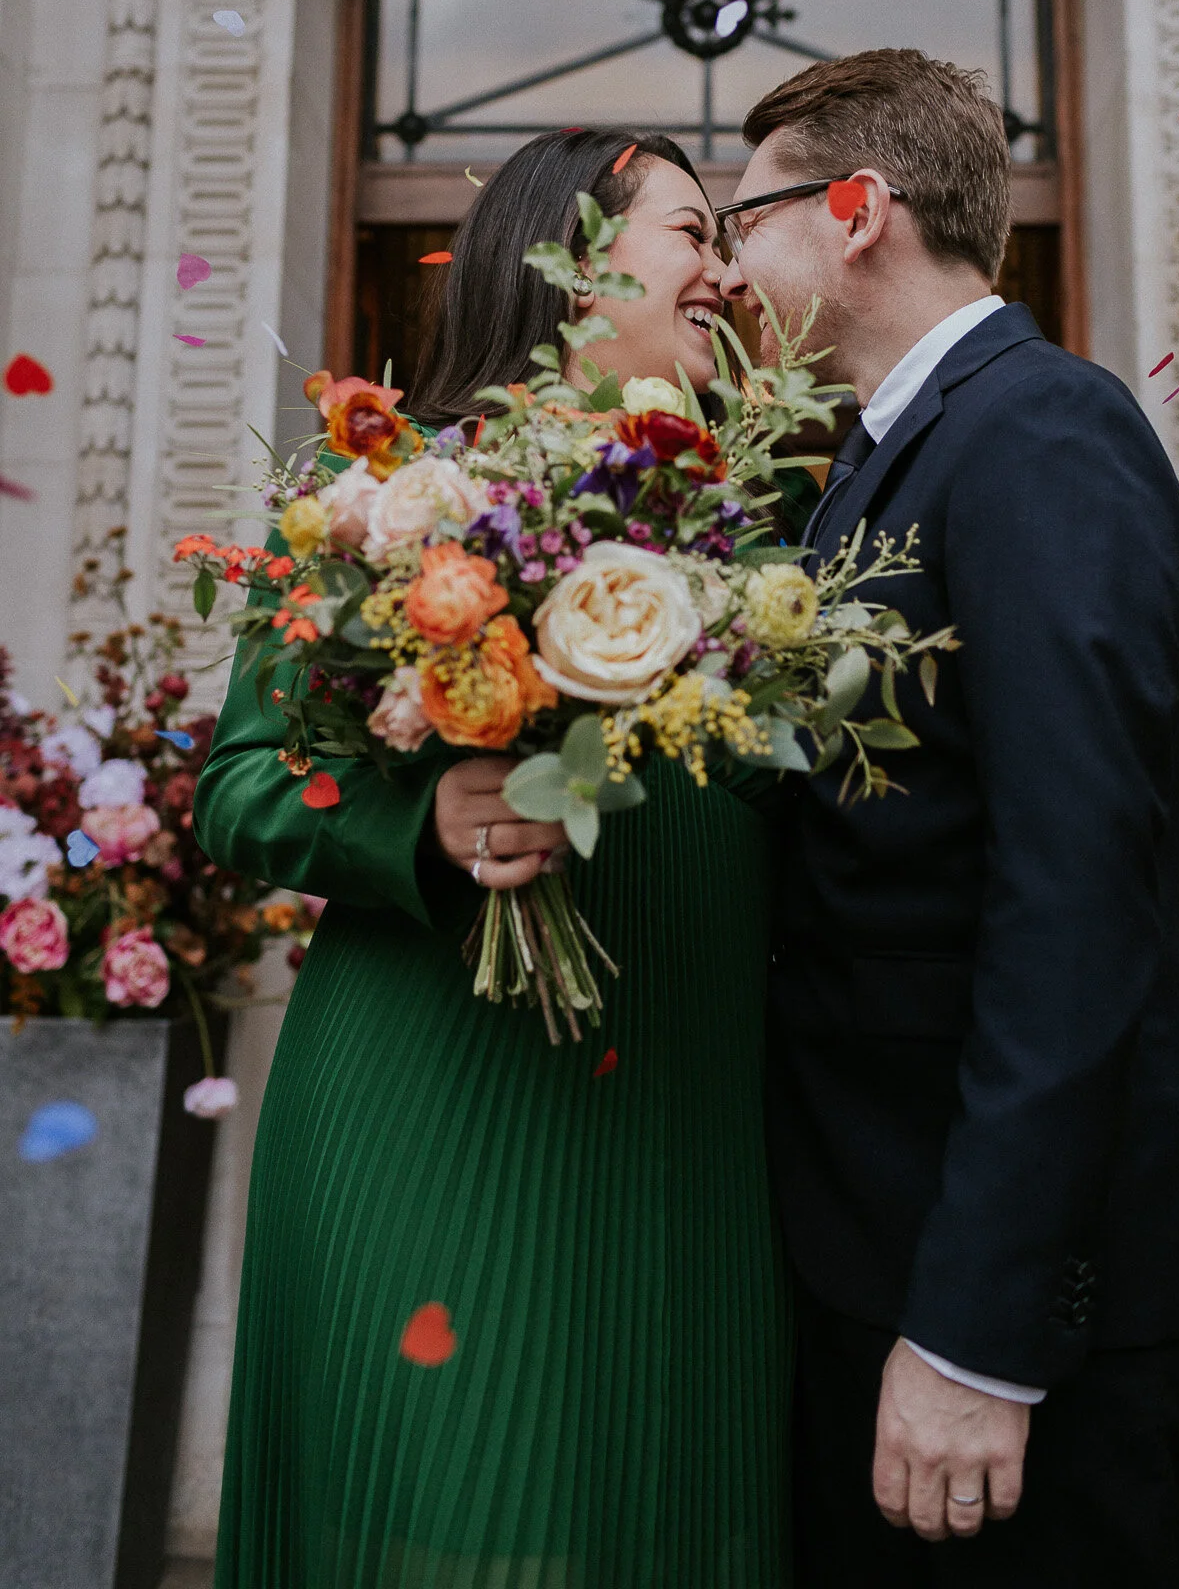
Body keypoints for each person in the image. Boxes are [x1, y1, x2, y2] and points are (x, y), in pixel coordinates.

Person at [196, 129, 794, 1589]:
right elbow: (238, 794)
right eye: (690, 230)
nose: (724, 267)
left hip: (681, 1121)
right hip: (442, 1100)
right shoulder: (390, 500)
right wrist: (425, 824)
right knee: (466, 1517)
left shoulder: (747, 528)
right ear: (570, 261)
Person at [717, 49, 1179, 1587]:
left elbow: (1074, 898)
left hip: (1009, 1304)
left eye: (748, 220)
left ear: (857, 208)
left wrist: (976, 1333)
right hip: (874, 1240)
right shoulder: (870, 465)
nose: (737, 267)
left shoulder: (1040, 434)